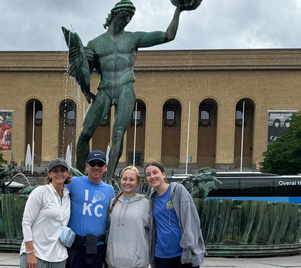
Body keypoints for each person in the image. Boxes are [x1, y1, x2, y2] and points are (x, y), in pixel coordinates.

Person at [63, 0, 199, 178]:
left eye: (130, 18)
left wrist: (178, 11)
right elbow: (84, 72)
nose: (127, 20)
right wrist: (80, 58)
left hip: (126, 86)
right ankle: (79, 177)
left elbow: (168, 35)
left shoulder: (133, 38)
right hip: (105, 88)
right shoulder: (95, 43)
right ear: (114, 14)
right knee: (85, 134)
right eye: (124, 16)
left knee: (118, 133)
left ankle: (110, 179)